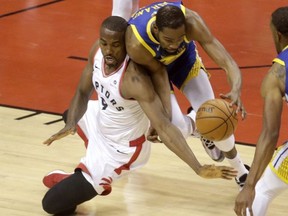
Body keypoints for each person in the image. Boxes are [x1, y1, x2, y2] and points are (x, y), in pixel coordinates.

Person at [41, 16, 237, 215]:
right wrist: (72, 123)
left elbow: (164, 127)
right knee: (68, 115)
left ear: (126, 44)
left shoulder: (135, 79)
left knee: (51, 205)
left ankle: (81, 181)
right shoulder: (97, 52)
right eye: (104, 43)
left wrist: (198, 167)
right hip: (99, 119)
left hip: (119, 150)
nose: (108, 50)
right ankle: (79, 177)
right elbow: (83, 92)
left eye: (116, 45)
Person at [126, 1, 249, 188]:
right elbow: (159, 74)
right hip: (155, 72)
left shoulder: (192, 21)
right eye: (169, 40)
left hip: (185, 62)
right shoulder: (136, 43)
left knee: (219, 122)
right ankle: (200, 125)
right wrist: (160, 117)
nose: (175, 44)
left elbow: (227, 61)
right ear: (157, 29)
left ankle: (240, 171)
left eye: (179, 38)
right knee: (177, 130)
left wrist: (236, 89)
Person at [234, 6, 288, 216]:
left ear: (277, 35)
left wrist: (248, 187)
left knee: (262, 190)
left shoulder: (277, 74)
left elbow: (270, 134)